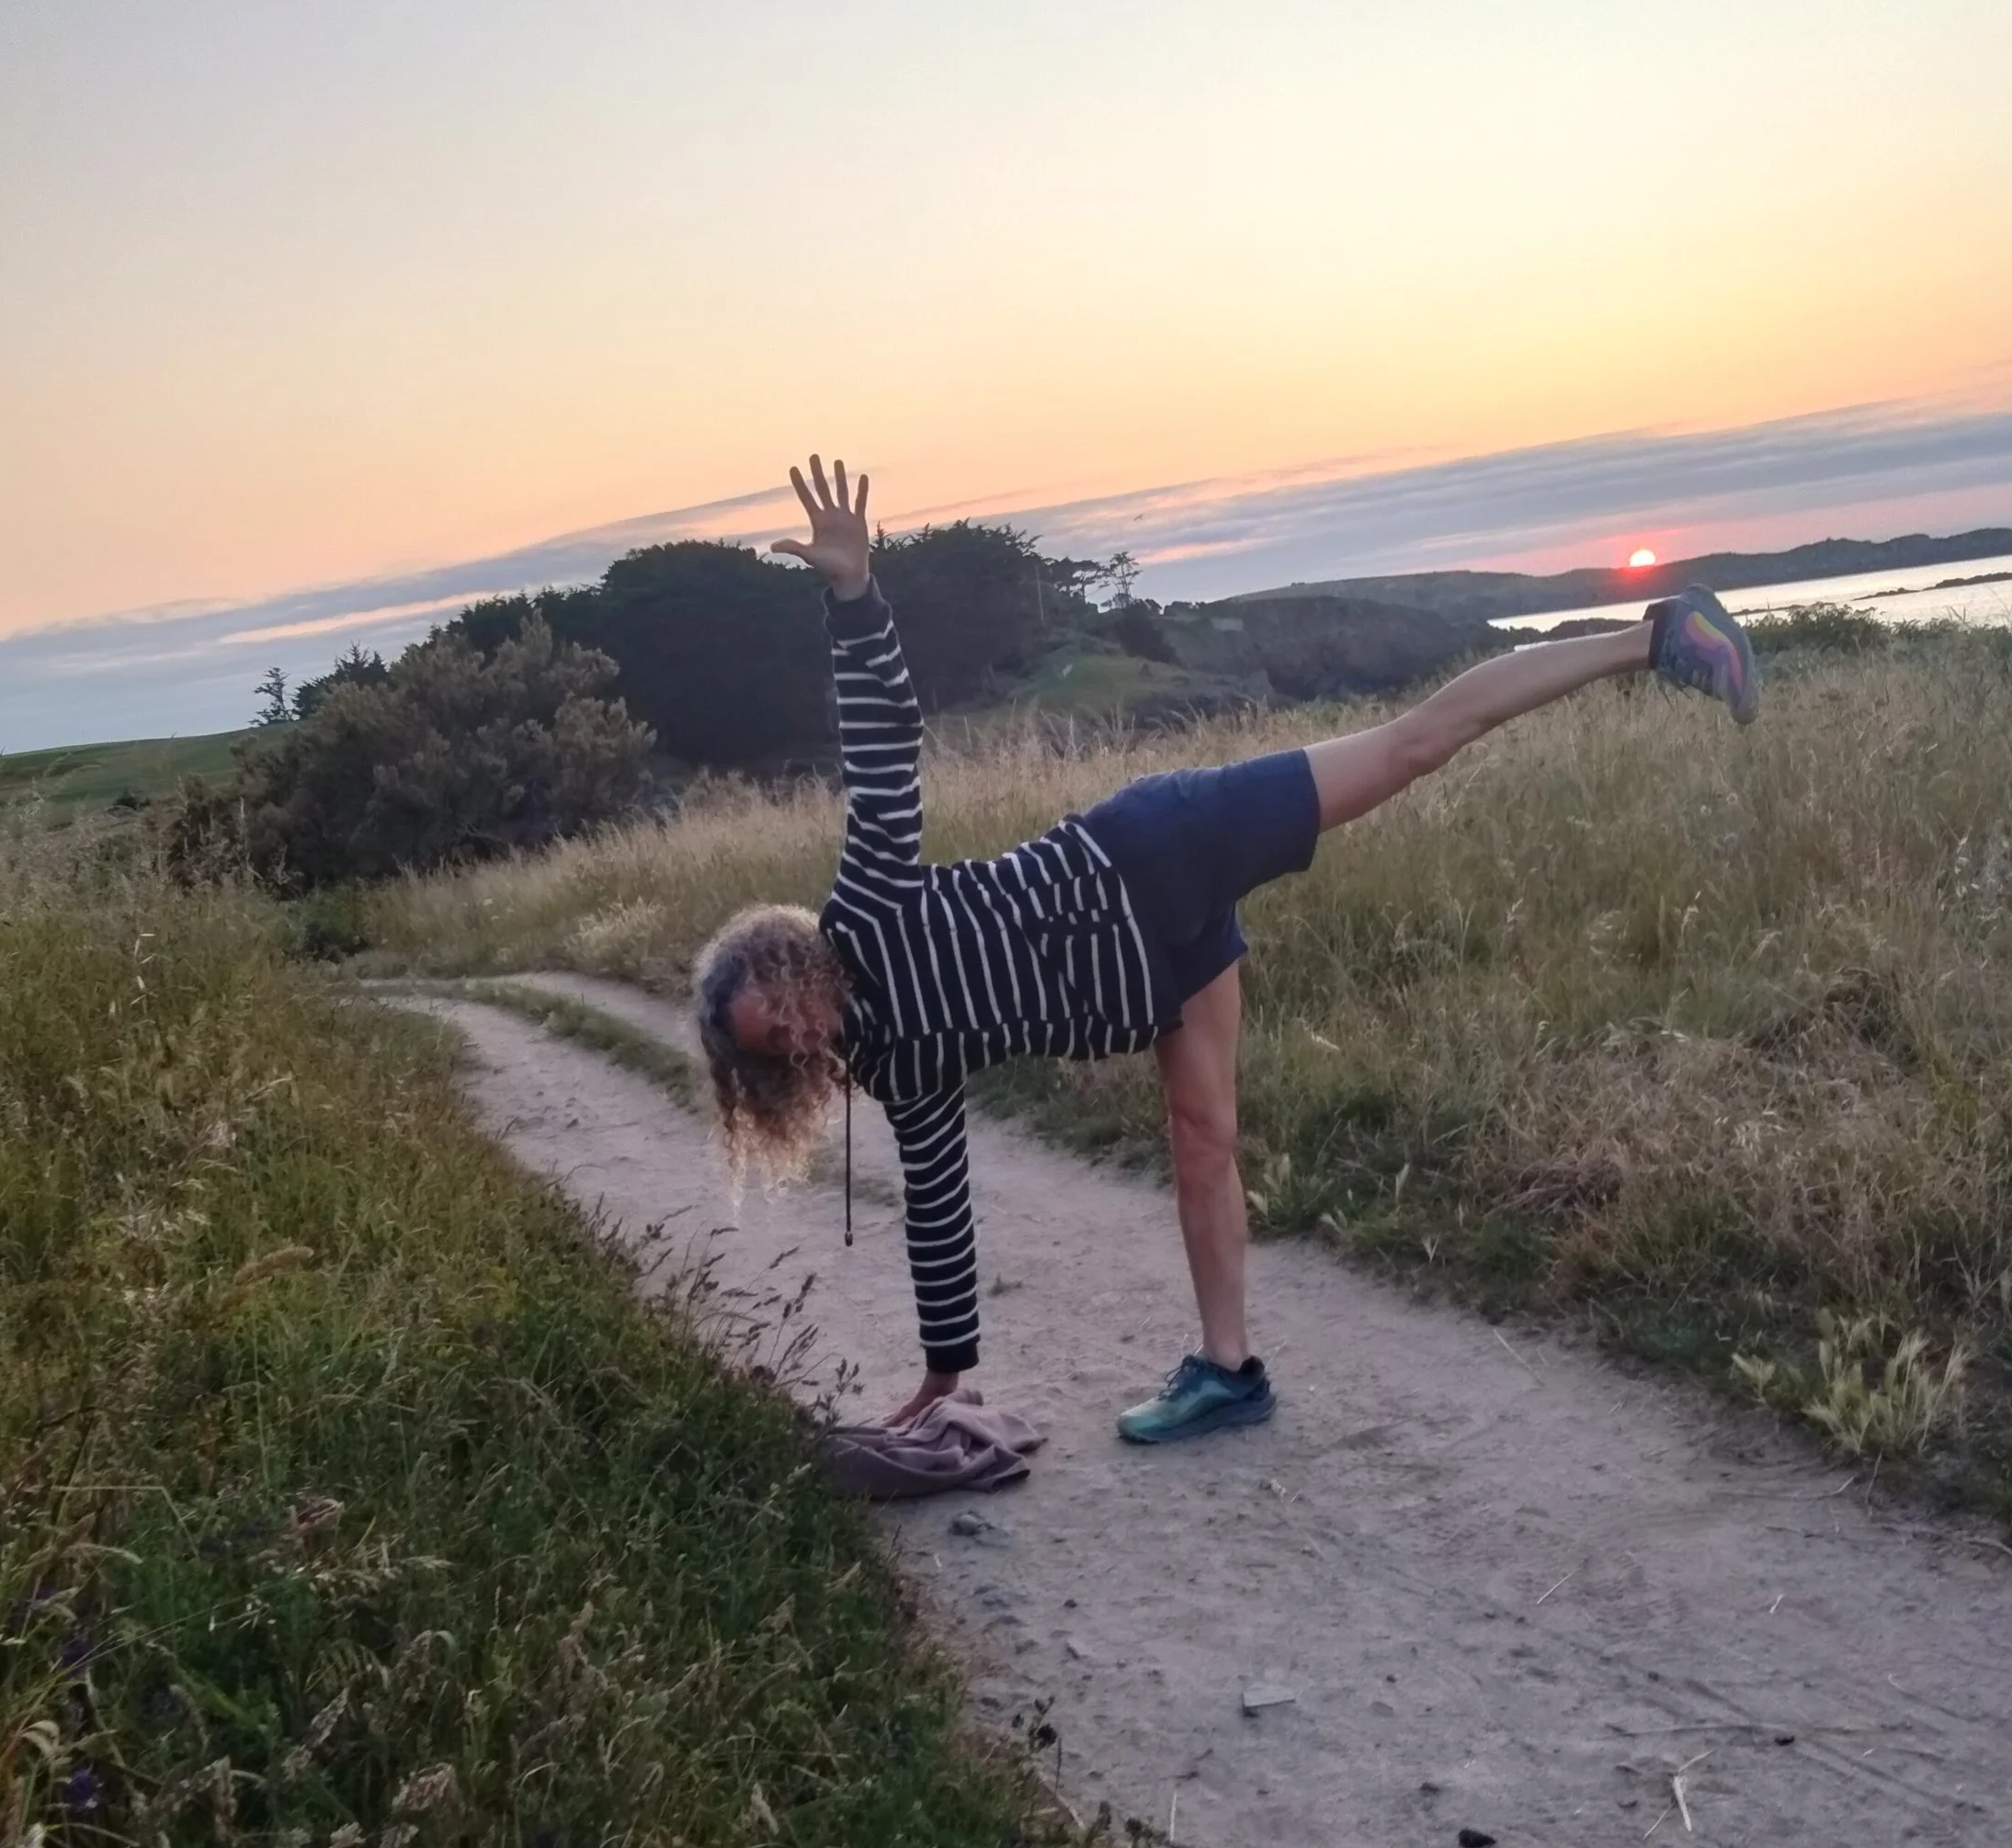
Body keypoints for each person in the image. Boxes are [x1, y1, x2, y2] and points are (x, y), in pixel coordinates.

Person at [693, 456, 1759, 1446]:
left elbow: (883, 751)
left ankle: (1652, 634)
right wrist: (946, 1372)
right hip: (1163, 973)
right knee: (1202, 1133)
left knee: (1410, 747)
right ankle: (1228, 1370)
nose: (798, 1029)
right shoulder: (895, 1065)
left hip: (1157, 849)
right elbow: (935, 1198)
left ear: (794, 957)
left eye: (784, 1000)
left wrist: (853, 600)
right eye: (778, 1044)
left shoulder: (867, 906)